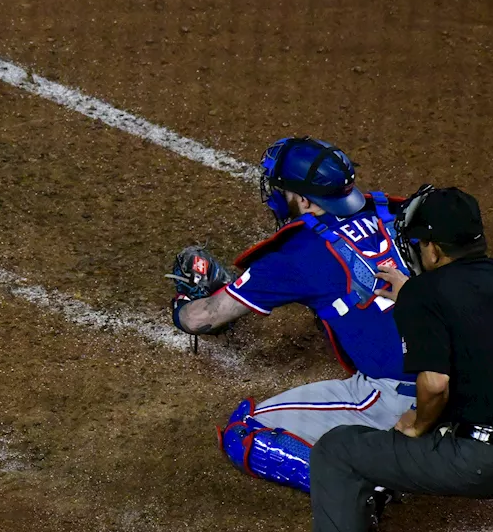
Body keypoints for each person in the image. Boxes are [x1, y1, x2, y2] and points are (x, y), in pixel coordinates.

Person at [168, 137, 415, 496]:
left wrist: (183, 302)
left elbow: (201, 318)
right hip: (478, 373)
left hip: (406, 398)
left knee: (245, 435)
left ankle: (355, 493)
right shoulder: (396, 212)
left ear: (302, 199)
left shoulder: (298, 253)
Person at [309, 186, 493, 532]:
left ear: (434, 250)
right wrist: (415, 295)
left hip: (484, 465)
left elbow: (435, 385)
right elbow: (476, 313)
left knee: (338, 451)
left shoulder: (425, 294)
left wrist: (419, 425)